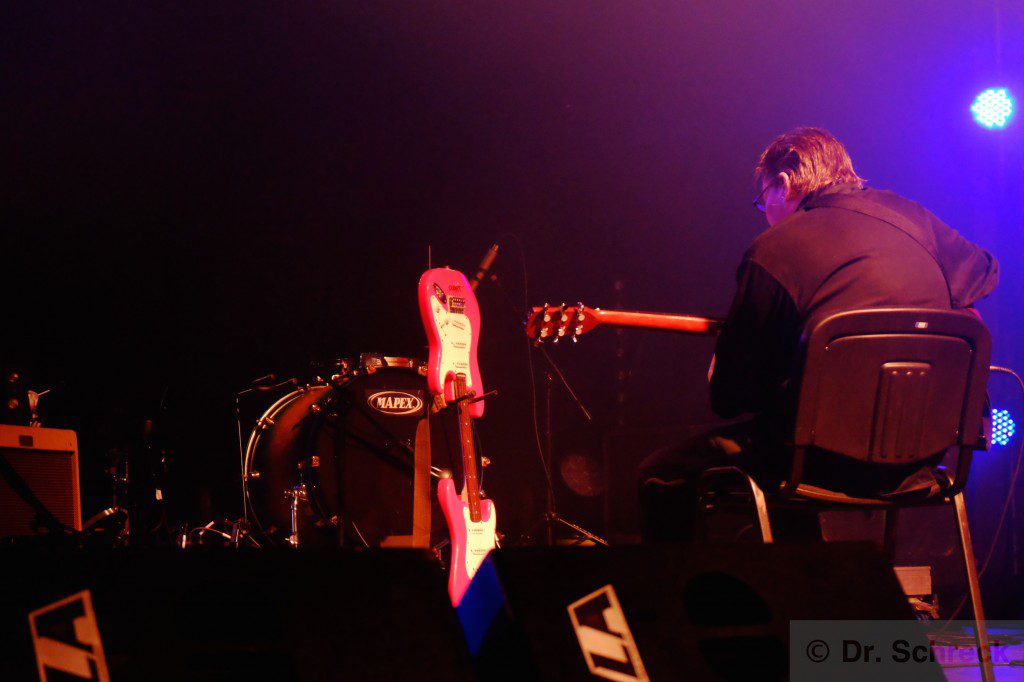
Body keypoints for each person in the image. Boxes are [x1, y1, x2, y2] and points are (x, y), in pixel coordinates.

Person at [638, 127, 999, 542]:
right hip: (924, 457)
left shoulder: (774, 250)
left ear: (784, 183)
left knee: (662, 475)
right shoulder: (912, 217)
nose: (765, 211)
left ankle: (691, 604)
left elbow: (731, 398)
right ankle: (814, 593)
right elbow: (984, 273)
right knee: (792, 435)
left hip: (815, 463)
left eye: (763, 200)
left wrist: (730, 356)